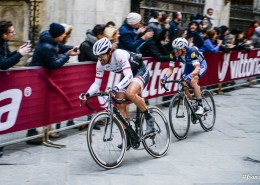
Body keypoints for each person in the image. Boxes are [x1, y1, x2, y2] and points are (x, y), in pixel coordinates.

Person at [79, 37, 155, 143]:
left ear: (109, 52)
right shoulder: (100, 63)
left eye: (102, 55)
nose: (100, 59)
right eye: (98, 56)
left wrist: (115, 88)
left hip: (139, 71)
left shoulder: (119, 55)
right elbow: (97, 83)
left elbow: (128, 76)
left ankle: (149, 118)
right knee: (119, 103)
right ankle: (129, 135)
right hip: (127, 75)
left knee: (130, 93)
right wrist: (87, 94)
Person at [27, 22, 79, 144]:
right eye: (63, 35)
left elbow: (60, 47)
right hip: (38, 79)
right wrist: (67, 55)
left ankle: (39, 132)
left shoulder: (52, 41)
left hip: (44, 78)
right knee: (36, 107)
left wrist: (73, 47)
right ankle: (31, 134)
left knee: (44, 106)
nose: (64, 36)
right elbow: (54, 64)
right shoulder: (46, 46)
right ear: (57, 35)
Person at [0, 20, 31, 156]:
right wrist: (19, 54)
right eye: (11, 32)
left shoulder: (4, 42)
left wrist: (18, 52)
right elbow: (3, 64)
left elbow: (7, 57)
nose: (13, 34)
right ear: (3, 34)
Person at [161, 37, 207, 115]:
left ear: (184, 49)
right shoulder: (173, 54)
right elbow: (170, 69)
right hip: (189, 67)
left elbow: (197, 69)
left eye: (177, 49)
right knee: (183, 83)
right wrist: (165, 77)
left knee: (192, 81)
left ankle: (200, 106)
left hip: (200, 65)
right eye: (174, 49)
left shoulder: (192, 52)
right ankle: (192, 103)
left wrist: (190, 76)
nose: (175, 51)